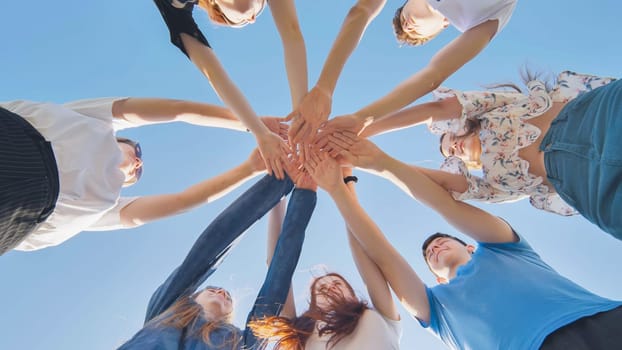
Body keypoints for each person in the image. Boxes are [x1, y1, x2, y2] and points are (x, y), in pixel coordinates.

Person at [305, 144, 622, 350]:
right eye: (429, 256)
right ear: (438, 279)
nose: (435, 247)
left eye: (443, 241)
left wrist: (377, 161)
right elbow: (382, 255)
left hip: (602, 320)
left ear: (470, 246)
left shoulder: (505, 247)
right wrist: (340, 187)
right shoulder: (437, 310)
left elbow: (446, 204)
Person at [324, 71, 622, 239]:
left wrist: (360, 132)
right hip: (591, 187)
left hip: (595, 117)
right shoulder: (496, 185)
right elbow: (440, 185)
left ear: (463, 127)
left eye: (449, 138)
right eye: (449, 152)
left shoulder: (499, 106)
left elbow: (435, 110)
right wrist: (365, 159)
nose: (451, 146)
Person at [0, 97, 286, 254]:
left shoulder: (106, 204)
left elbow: (183, 200)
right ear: (121, 139)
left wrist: (249, 169)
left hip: (18, 215)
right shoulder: (94, 122)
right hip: (17, 141)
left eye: (137, 174)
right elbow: (179, 111)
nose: (138, 163)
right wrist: (253, 124)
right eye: (136, 151)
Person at [118, 169, 317, 349]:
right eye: (214, 290)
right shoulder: (166, 310)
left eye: (215, 289)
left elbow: (277, 283)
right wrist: (281, 185)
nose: (221, 291)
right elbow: (206, 253)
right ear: (191, 296)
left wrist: (300, 194)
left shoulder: (241, 343)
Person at [316, 0, 518, 142]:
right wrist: (362, 118)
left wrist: (324, 89)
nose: (407, 26)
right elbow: (433, 76)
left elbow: (361, 10)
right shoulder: (482, 21)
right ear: (444, 25)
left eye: (403, 17)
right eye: (414, 32)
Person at [153, 0, 308, 178]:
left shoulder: (176, 8)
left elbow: (214, 75)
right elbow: (292, 33)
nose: (252, 17)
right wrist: (300, 114)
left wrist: (262, 131)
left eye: (248, 16)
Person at [249, 169, 401, 349]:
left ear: (352, 296)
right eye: (321, 290)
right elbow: (277, 265)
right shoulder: (300, 334)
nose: (329, 288)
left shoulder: (381, 316)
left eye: (337, 285)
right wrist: (280, 189)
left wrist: (346, 177)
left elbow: (361, 249)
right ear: (312, 305)